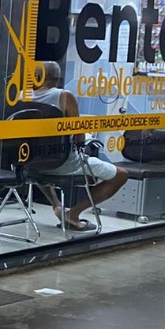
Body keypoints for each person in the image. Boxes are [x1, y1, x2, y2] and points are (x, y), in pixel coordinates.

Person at [33, 61, 128, 232]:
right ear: (58, 78)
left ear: (36, 77)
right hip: (64, 164)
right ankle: (73, 214)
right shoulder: (64, 96)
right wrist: (82, 144)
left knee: (41, 160)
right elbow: (78, 132)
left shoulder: (21, 95)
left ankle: (57, 205)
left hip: (31, 164)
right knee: (121, 175)